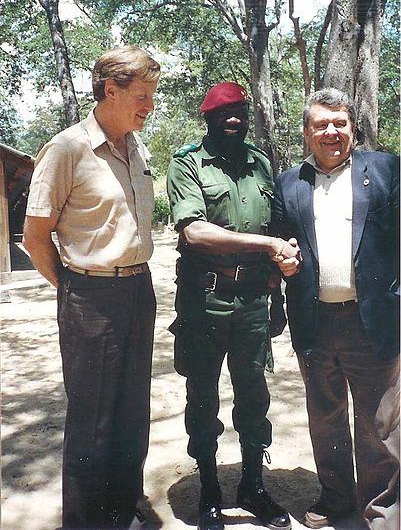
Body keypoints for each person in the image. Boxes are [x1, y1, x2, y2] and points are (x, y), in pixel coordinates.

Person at [23, 45, 160, 529]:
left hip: (138, 292)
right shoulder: (67, 149)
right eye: (141, 96)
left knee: (131, 413)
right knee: (92, 418)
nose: (149, 105)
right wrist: (73, 287)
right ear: (110, 90)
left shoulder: (135, 146)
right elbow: (35, 238)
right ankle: (85, 520)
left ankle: (123, 508)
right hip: (89, 296)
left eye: (152, 95)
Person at [166, 81, 299, 530]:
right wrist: (266, 242)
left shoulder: (261, 163)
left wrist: (276, 294)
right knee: (202, 396)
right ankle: (209, 489)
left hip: (254, 301)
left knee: (254, 396)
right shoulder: (186, 163)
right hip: (205, 300)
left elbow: (279, 230)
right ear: (207, 119)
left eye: (240, 112)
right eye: (224, 114)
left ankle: (253, 486)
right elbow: (195, 233)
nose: (233, 119)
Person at [273, 88, 400, 529]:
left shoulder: (387, 169)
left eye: (340, 123)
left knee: (379, 424)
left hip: (375, 321)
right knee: (325, 418)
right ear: (307, 132)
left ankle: (382, 509)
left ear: (352, 128)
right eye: (321, 124)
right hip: (316, 321)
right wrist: (283, 257)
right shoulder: (289, 182)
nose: (332, 132)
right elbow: (282, 241)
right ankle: (335, 498)